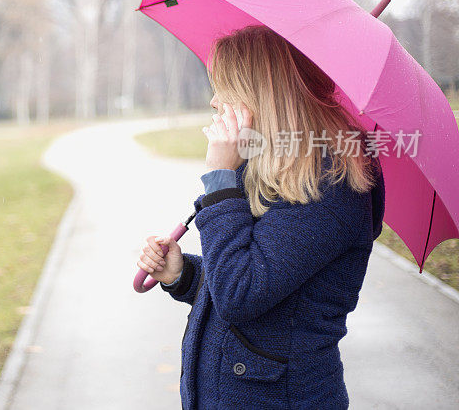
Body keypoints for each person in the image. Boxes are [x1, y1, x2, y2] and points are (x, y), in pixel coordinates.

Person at [137, 24, 386, 409]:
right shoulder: (270, 167)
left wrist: (220, 181)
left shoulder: (329, 181)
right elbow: (258, 276)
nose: (215, 101)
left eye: (226, 88)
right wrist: (182, 275)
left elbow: (241, 294)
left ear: (260, 94)